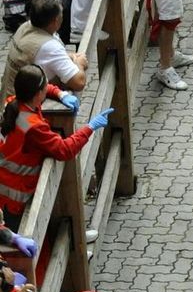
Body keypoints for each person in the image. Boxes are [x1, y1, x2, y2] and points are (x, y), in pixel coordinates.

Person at [0, 65, 110, 230]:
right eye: (45, 87)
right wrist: (90, 127)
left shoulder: (14, 102)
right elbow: (65, 149)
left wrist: (60, 93)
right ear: (38, 94)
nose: (48, 88)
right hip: (14, 199)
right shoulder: (34, 127)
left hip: (6, 188)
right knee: (17, 245)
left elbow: (45, 87)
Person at [2, 0, 88, 103]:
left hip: (9, 100)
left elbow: (48, 57)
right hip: (24, 109)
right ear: (56, 21)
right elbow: (79, 83)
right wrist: (79, 63)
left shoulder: (26, 26)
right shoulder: (49, 47)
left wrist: (69, 56)